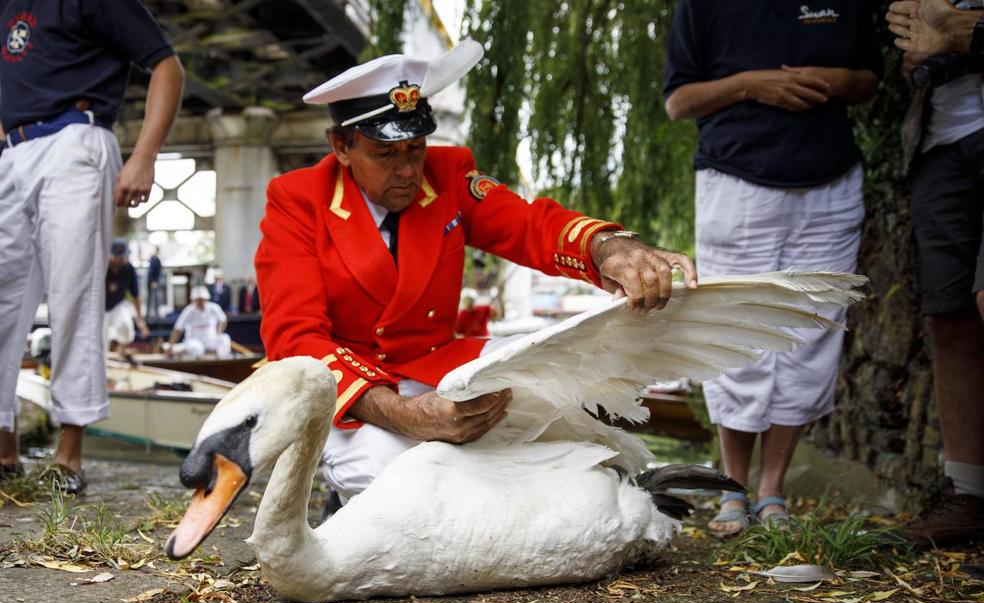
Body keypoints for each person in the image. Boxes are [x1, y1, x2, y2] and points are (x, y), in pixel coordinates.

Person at [254, 40, 698, 505]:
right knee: (388, 483)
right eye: (386, 155)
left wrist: (607, 247)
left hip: (436, 362)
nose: (408, 170)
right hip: (354, 387)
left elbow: (529, 226)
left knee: (565, 384)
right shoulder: (297, 199)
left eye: (417, 148)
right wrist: (403, 414)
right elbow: (296, 339)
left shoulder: (448, 174)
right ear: (341, 146)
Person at [662, 0, 881, 535]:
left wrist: (834, 80)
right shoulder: (704, 6)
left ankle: (772, 490)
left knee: (811, 338)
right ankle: (733, 490)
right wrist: (751, 85)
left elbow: (870, 79)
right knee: (737, 333)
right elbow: (678, 101)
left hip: (830, 183)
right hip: (737, 182)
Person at [0, 0, 184, 491]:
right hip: (11, 150)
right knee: (2, 301)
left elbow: (167, 66)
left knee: (73, 296)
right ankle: (4, 448)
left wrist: (144, 156)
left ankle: (69, 456)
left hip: (74, 139)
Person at [886, 0, 984, 545]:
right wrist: (918, 53)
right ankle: (969, 494)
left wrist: (964, 32)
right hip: (938, 145)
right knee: (951, 318)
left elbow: (954, 33)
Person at [105, 239, 150, 354]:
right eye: (118, 257)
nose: (121, 260)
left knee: (125, 326)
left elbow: (135, 296)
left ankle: (121, 351)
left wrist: (140, 321)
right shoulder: (102, 267)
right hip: (101, 307)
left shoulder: (128, 269)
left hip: (118, 305)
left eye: (123, 257)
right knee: (101, 337)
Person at [167, 286, 232, 358]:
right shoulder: (188, 310)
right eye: (198, 300)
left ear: (206, 299)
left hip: (210, 340)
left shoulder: (214, 307)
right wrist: (170, 346)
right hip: (194, 341)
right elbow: (178, 329)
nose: (200, 302)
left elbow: (223, 320)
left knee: (224, 338)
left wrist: (219, 332)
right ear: (193, 300)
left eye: (202, 299)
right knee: (197, 349)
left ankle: (222, 362)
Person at [146, 246, 164, 322]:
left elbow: (159, 272)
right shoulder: (152, 260)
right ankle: (148, 315)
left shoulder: (158, 261)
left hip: (155, 282)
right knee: (150, 298)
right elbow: (150, 272)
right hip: (150, 281)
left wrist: (155, 281)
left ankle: (156, 315)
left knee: (156, 298)